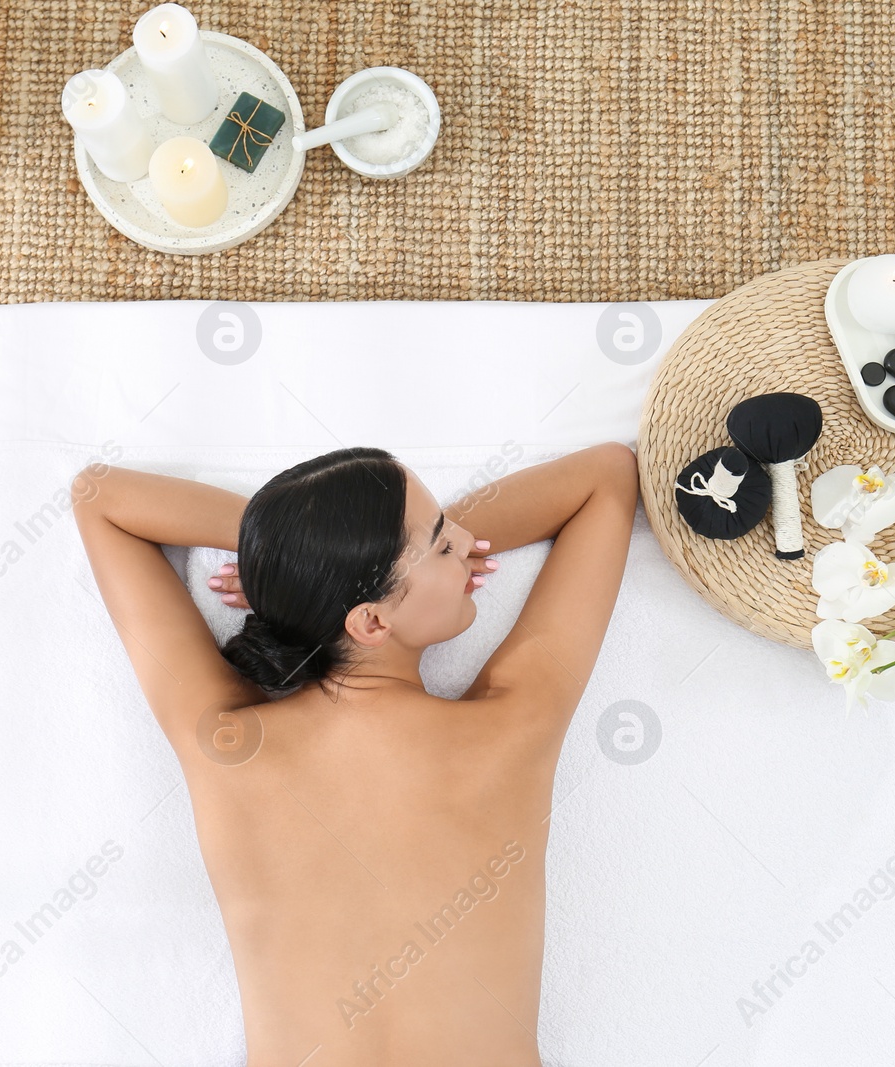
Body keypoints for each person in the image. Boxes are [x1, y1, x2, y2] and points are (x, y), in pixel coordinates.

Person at [71, 441, 639, 1067]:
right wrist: (318, 559)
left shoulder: (228, 745)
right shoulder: (511, 729)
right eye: (446, 544)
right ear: (369, 623)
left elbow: (100, 498)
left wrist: (296, 560)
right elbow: (606, 477)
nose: (470, 539)